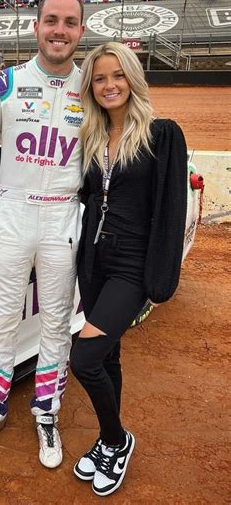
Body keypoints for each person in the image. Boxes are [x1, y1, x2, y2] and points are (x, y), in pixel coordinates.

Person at [0, 0, 85, 468]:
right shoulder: (3, 83)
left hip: (63, 217)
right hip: (10, 214)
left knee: (56, 322)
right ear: (36, 26)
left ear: (81, 31)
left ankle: (46, 413)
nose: (60, 31)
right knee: (3, 319)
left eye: (70, 23)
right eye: (52, 20)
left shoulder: (90, 85)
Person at [70, 42, 188, 496]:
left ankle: (118, 439)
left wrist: (160, 277)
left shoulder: (162, 134)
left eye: (117, 75)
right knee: (110, 355)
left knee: (85, 358)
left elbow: (171, 209)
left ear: (133, 79)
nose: (109, 85)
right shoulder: (91, 136)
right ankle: (106, 439)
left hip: (132, 265)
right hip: (94, 261)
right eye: (99, 78)